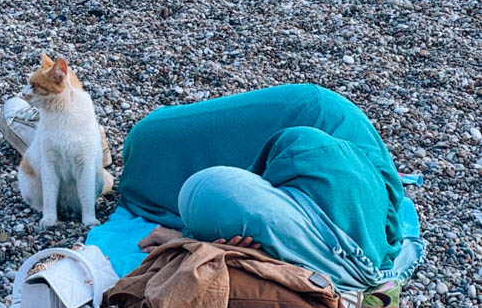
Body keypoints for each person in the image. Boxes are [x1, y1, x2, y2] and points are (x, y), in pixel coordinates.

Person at [117, 83, 423, 292]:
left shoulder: (309, 142)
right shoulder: (158, 156)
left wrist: (192, 240)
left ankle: (333, 263)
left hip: (326, 139)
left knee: (205, 188)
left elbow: (278, 161)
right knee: (202, 187)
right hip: (332, 172)